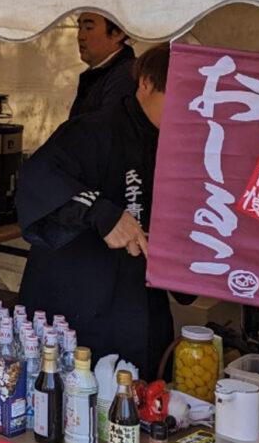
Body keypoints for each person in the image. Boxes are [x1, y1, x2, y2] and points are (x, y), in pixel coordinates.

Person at [16, 44, 173, 378]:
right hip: (80, 304)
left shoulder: (181, 149)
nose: (182, 112)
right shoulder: (92, 130)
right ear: (145, 82)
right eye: (174, 97)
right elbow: (38, 179)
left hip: (143, 305)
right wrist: (103, 214)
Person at [69, 12, 136, 120]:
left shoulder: (125, 75)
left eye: (89, 28)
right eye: (80, 28)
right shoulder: (97, 74)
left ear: (117, 33)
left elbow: (108, 131)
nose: (80, 36)